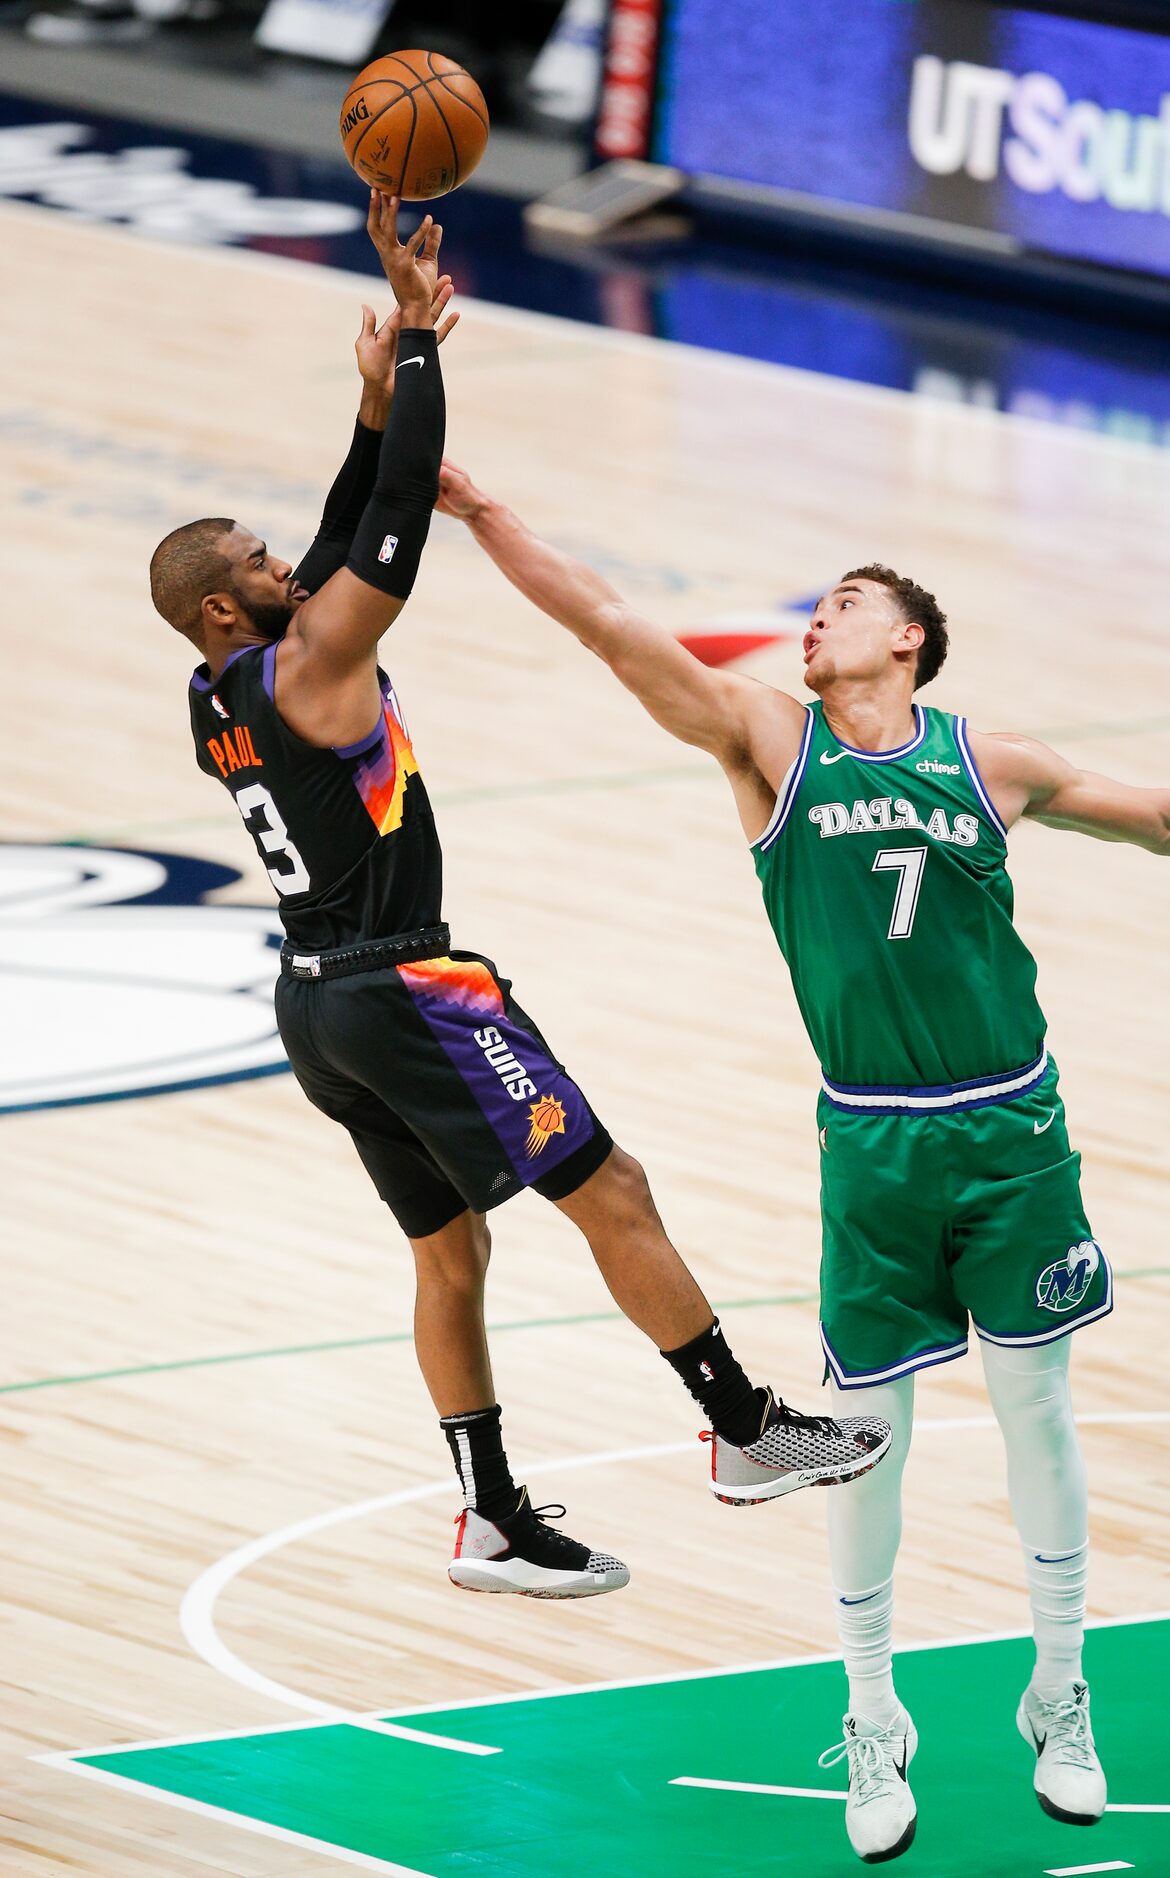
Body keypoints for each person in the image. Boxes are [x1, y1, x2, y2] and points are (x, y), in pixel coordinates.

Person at [436, 458, 1170, 1859]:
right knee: (869, 1435)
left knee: (1035, 1408)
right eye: (816, 607)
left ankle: (1060, 1686)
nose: (816, 623)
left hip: (1013, 1127)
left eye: (845, 606)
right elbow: (614, 627)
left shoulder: (989, 762)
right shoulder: (765, 739)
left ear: (908, 641)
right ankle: (874, 1711)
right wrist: (483, 512)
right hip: (871, 1140)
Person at [146, 195, 891, 1606]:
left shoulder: (219, 688)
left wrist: (365, 409)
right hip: (406, 979)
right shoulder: (309, 659)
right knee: (609, 1184)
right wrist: (418, 340)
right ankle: (744, 1427)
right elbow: (386, 542)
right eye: (254, 562)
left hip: (317, 1003)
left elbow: (330, 534)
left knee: (453, 1248)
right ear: (227, 614)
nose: (279, 560)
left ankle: (489, 1512)